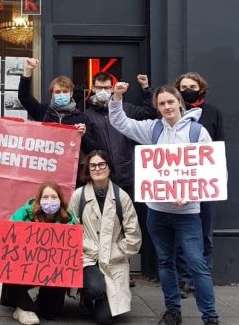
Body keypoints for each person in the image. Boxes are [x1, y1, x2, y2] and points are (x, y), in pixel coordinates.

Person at [109, 83, 220, 325]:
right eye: (162, 103)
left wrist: (189, 195)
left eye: (171, 101)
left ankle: (210, 316)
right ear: (157, 108)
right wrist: (117, 97)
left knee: (196, 263)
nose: (167, 106)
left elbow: (208, 170)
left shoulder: (197, 132)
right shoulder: (153, 130)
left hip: (188, 212)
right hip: (158, 212)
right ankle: (173, 311)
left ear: (179, 102)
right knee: (165, 263)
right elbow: (120, 122)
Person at [84, 72, 158, 284]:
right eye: (99, 87)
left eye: (107, 87)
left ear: (114, 87)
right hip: (101, 178)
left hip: (127, 176)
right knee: (105, 224)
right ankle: (104, 268)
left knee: (127, 224)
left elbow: (151, 113)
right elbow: (86, 146)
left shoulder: (128, 109)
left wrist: (145, 89)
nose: (103, 92)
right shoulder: (87, 115)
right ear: (93, 88)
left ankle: (123, 268)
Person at [68, 150, 141, 325]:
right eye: (93, 165)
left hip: (113, 260)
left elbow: (134, 237)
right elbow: (70, 230)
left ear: (109, 168)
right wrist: (90, 248)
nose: (97, 168)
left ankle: (99, 298)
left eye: (102, 164)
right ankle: (88, 296)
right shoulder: (79, 195)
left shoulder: (122, 197)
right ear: (88, 169)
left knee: (105, 319)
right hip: (87, 257)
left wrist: (115, 251)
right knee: (94, 288)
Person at [173, 72, 225, 299]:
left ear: (201, 88)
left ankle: (202, 279)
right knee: (181, 233)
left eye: (192, 86)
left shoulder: (213, 112)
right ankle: (184, 279)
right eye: (183, 87)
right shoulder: (174, 112)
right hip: (180, 182)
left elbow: (218, 147)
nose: (187, 90)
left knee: (205, 234)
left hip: (205, 182)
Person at [0, 181, 77, 325]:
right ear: (38, 200)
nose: (50, 201)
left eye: (54, 197)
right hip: (24, 269)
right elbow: (8, 241)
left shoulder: (69, 220)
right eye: (45, 197)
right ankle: (25, 307)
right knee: (9, 265)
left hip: (53, 273)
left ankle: (36, 301)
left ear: (60, 200)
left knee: (51, 314)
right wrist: (3, 238)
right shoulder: (23, 214)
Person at [18, 58, 98, 170]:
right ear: (52, 94)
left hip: (71, 172)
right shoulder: (43, 112)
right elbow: (24, 97)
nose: (61, 94)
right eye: (57, 92)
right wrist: (27, 71)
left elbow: (92, 149)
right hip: (45, 168)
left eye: (65, 92)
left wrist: (83, 135)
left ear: (71, 93)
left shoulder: (81, 117)